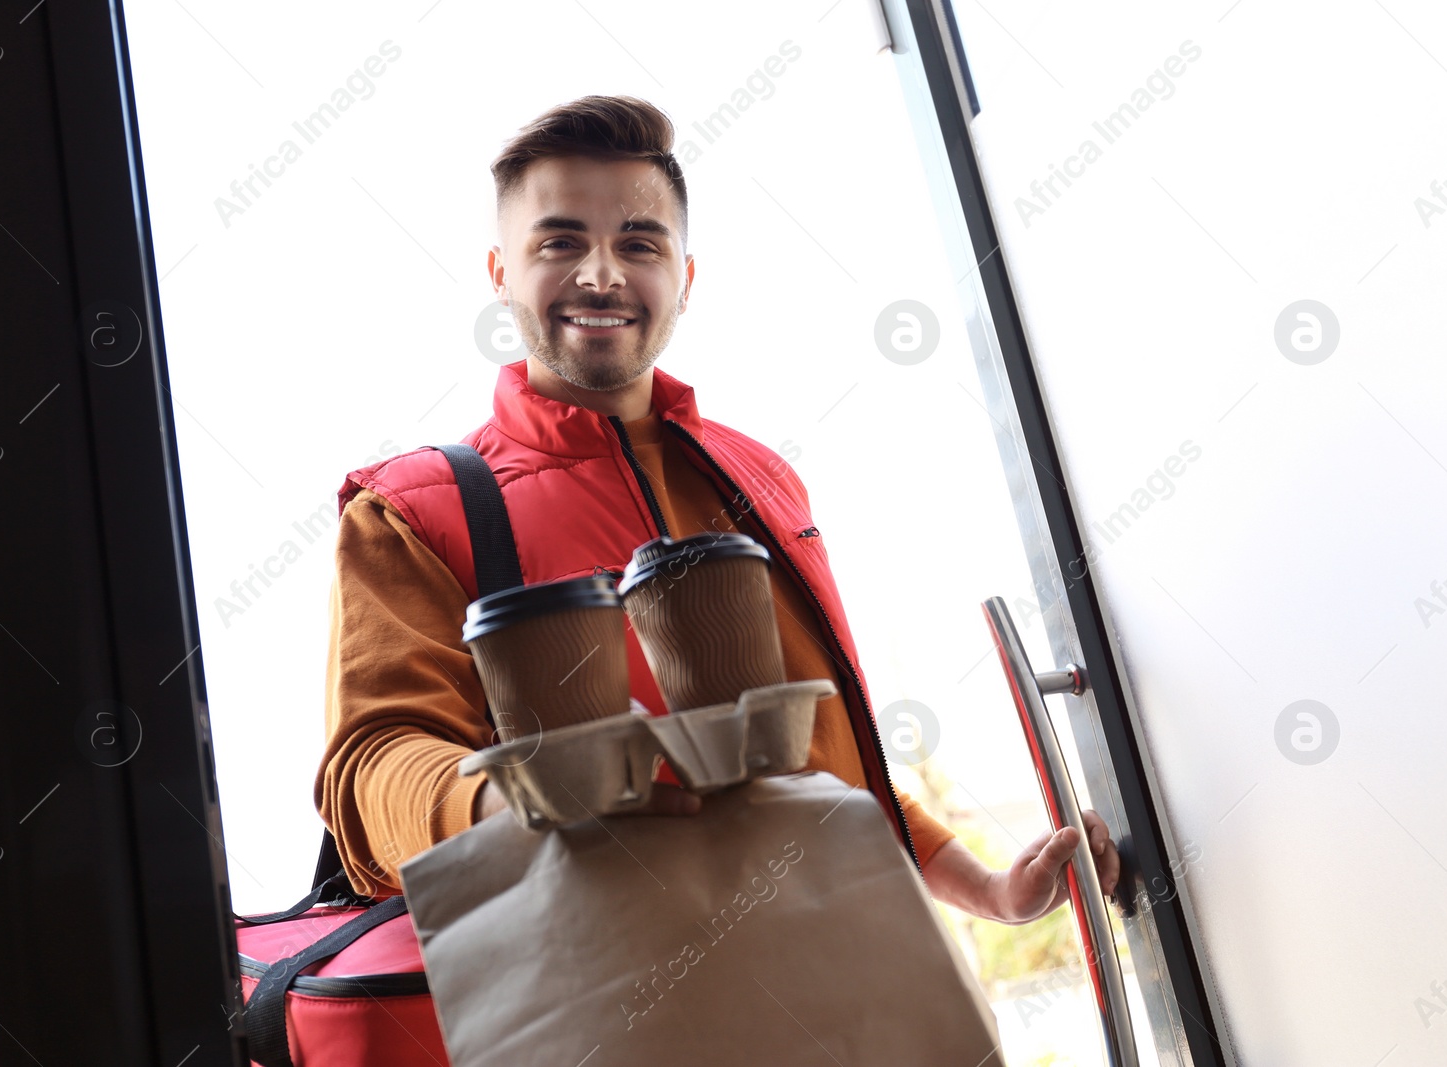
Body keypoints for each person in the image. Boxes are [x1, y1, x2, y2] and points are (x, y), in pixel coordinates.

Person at [314, 95, 1119, 926]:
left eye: (638, 242)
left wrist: (988, 888)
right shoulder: (405, 510)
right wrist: (517, 802)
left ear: (684, 279)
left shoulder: (761, 479)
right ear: (500, 274)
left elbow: (825, 759)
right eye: (559, 242)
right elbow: (372, 772)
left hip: (847, 977)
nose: (601, 273)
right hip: (612, 998)